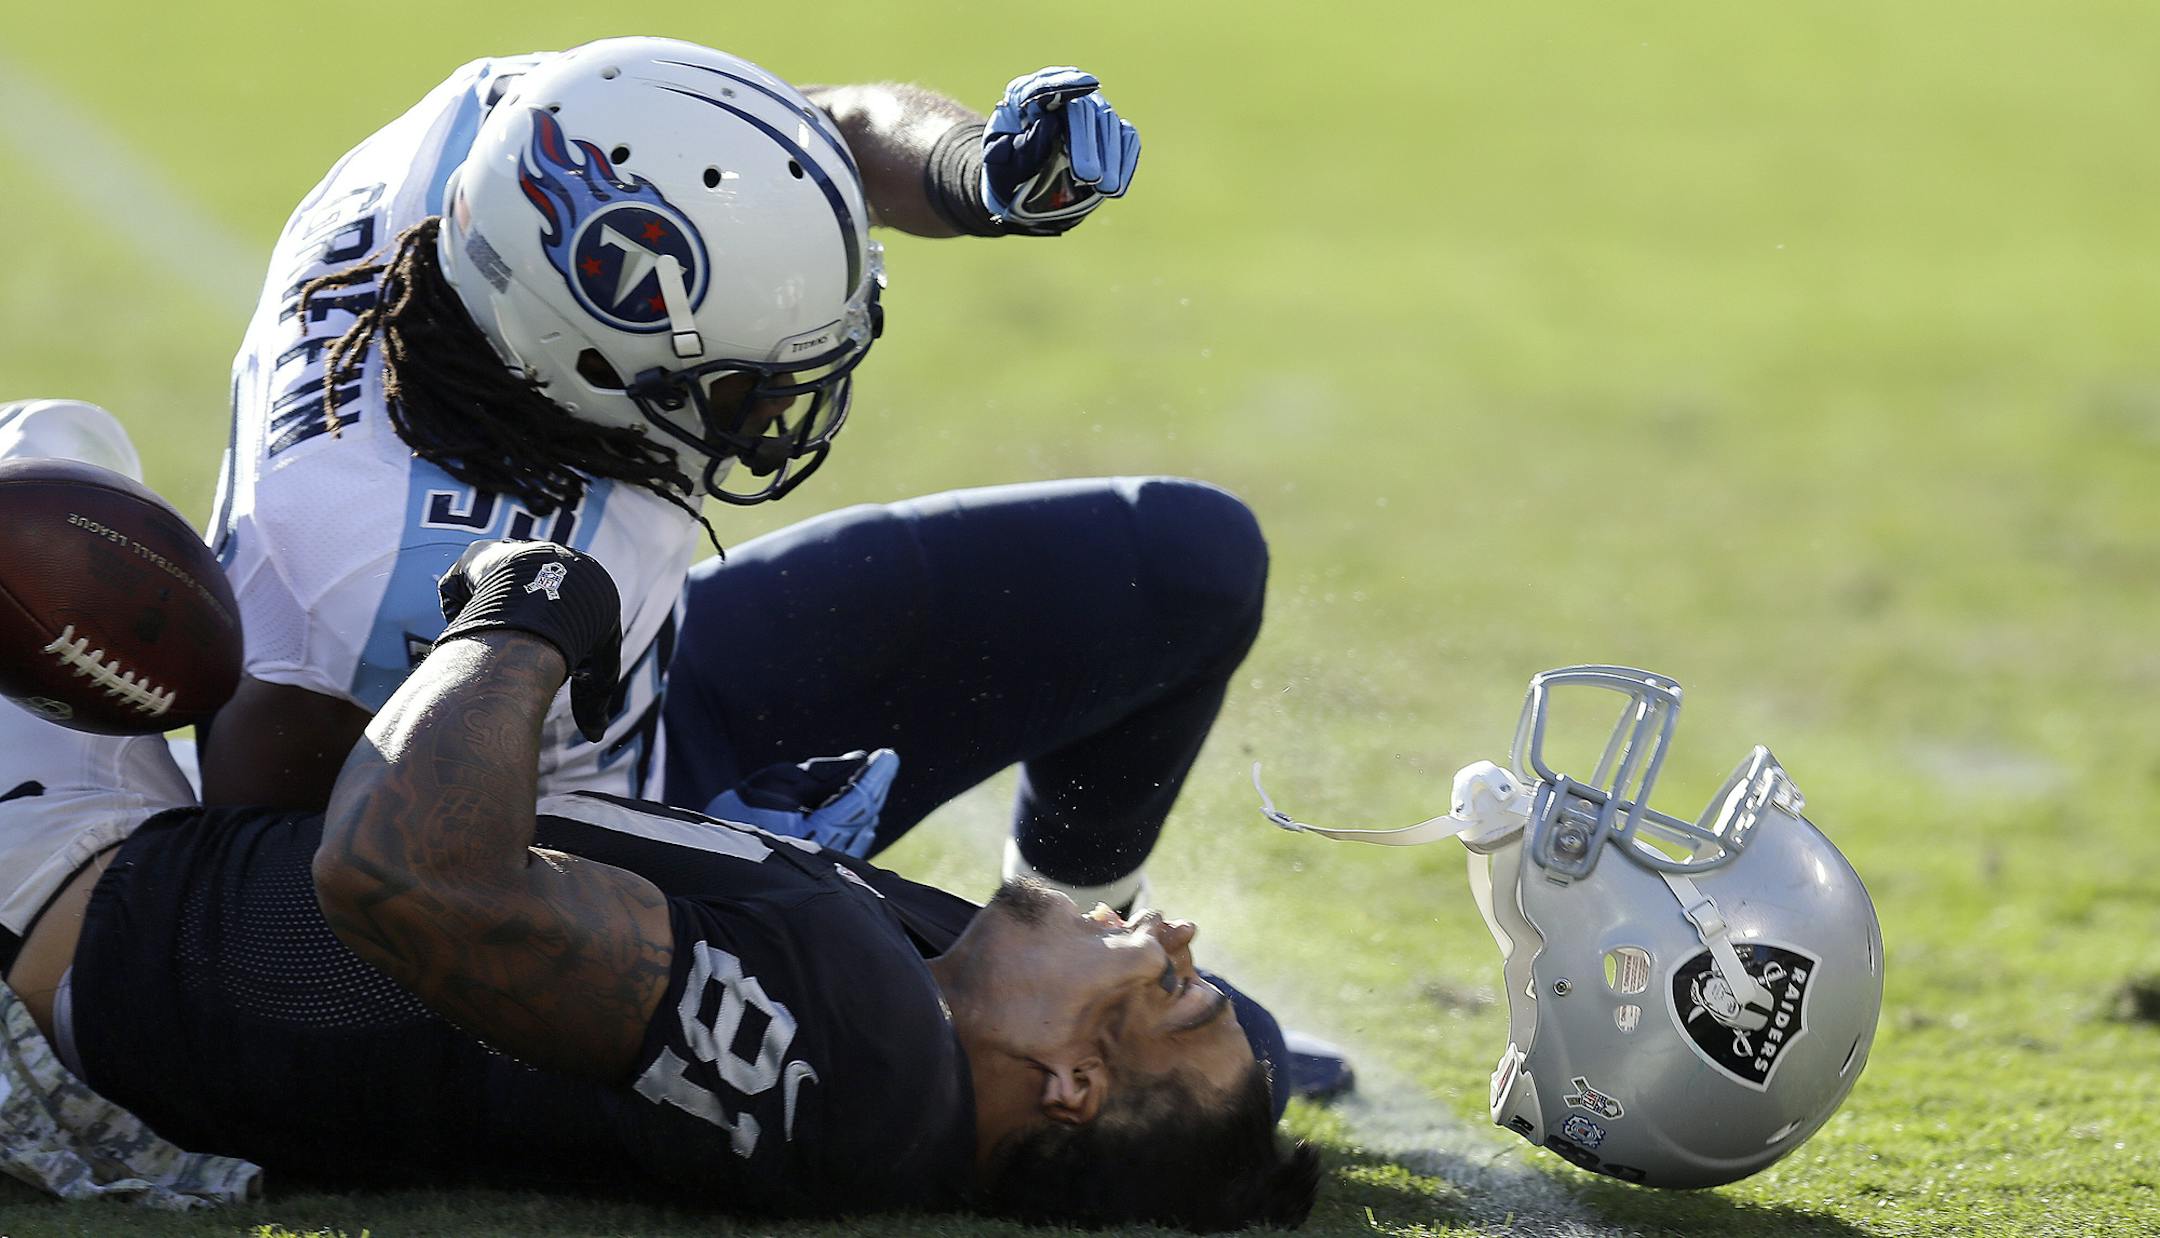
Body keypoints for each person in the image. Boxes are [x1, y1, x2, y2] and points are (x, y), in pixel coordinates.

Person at [197, 36, 1352, 1095]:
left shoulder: (506, 142)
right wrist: (716, 883)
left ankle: (1087, 938)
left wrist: (971, 171)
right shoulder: (371, 571)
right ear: (584, 366)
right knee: (1224, 1064)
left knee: (1181, 563)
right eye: (748, 386)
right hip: (553, 864)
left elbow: (808, 140)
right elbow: (308, 900)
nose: (781, 411)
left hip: (638, 694)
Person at [0, 528, 1320, 1229]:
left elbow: (409, 875)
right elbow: (1219, 1092)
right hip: (155, 893)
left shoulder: (863, 1041)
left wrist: (527, 610)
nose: (1175, 933)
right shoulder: (932, 1036)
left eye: (1175, 990)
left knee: (32, 512)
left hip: (78, 913)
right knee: (62, 447)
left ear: (1072, 1084)